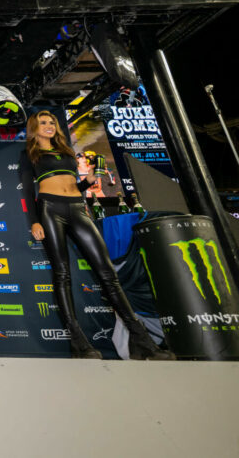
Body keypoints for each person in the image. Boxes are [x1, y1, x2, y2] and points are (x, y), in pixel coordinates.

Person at [19, 110, 175, 360]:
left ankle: (142, 340)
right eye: (43, 123)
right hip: (50, 210)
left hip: (77, 208)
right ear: (34, 128)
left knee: (107, 273)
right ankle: (78, 342)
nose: (48, 126)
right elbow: (28, 191)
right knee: (62, 273)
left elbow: (74, 186)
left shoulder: (67, 151)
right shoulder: (29, 153)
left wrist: (87, 181)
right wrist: (34, 222)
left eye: (51, 122)